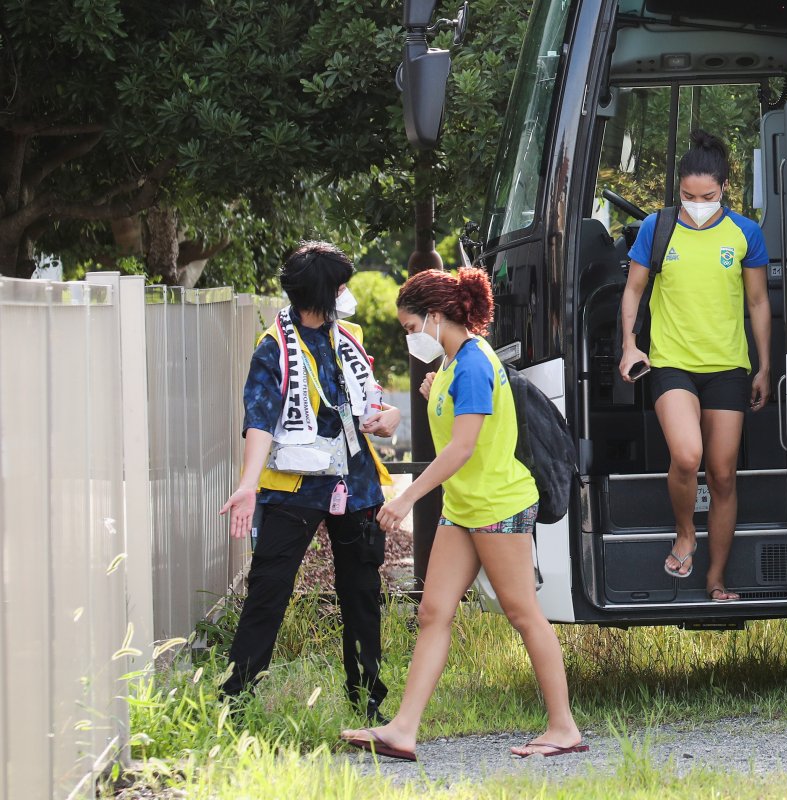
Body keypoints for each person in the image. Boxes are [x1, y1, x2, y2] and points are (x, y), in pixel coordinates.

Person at [339, 267, 587, 761]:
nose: (411, 339)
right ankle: (403, 730)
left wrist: (407, 497)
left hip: (497, 504)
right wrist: (435, 395)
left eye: (411, 328)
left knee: (522, 613)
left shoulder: (472, 364)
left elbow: (463, 449)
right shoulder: (454, 361)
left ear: (434, 317)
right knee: (433, 613)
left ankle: (564, 728)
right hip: (465, 506)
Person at [219, 241, 399, 724]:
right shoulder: (273, 346)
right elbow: (259, 418)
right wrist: (248, 484)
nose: (346, 292)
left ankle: (368, 704)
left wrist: (390, 417)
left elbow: (370, 403)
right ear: (322, 294)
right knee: (268, 591)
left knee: (361, 594)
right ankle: (234, 704)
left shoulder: (351, 336)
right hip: (295, 488)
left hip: (357, 485)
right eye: (340, 285)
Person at [617, 129, 772, 603]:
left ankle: (716, 579)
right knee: (687, 456)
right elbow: (633, 292)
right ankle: (685, 533)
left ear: (724, 188)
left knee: (723, 474)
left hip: (728, 366)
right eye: (687, 195)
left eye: (706, 196)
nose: (696, 203)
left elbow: (759, 302)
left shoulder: (745, 233)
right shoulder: (658, 228)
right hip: (671, 363)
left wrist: (764, 367)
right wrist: (630, 345)